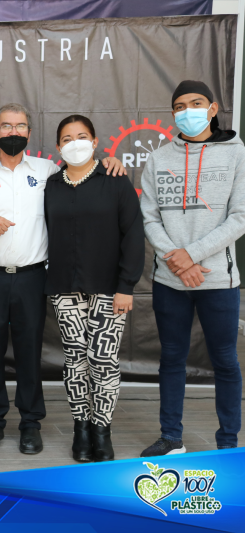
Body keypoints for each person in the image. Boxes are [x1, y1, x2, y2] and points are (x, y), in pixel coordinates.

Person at [0, 103, 125, 455]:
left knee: (29, 353)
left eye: (20, 126)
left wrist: (109, 162)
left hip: (33, 277)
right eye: (6, 126)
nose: (13, 132)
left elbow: (83, 178)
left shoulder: (48, 170)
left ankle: (31, 423)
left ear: (30, 133)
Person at [139, 80, 245, 456]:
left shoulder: (236, 154)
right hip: (170, 279)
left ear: (213, 109)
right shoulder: (158, 159)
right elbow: (150, 218)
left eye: (196, 103)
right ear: (173, 114)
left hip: (217, 280)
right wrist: (178, 260)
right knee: (172, 359)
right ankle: (172, 438)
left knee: (225, 361)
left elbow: (240, 217)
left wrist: (193, 255)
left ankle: (228, 443)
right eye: (180, 106)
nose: (188, 111)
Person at [44, 115, 144, 462]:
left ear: (95, 141)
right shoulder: (51, 185)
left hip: (109, 288)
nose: (75, 143)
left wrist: (126, 285)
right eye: (67, 138)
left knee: (102, 360)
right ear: (58, 147)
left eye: (82, 136)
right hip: (65, 287)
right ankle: (81, 428)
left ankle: (102, 429)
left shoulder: (115, 180)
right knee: (75, 360)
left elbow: (133, 233)